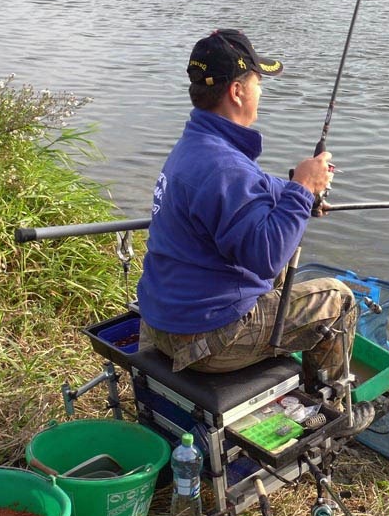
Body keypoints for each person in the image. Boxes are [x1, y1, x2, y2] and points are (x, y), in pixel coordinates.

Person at [136, 28, 373, 436]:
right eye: (258, 83)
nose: (261, 92)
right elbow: (263, 254)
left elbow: (248, 188)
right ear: (237, 91)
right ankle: (331, 411)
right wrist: (303, 190)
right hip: (206, 340)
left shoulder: (195, 146)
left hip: (162, 320)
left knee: (284, 276)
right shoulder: (224, 167)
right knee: (338, 298)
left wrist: (295, 190)